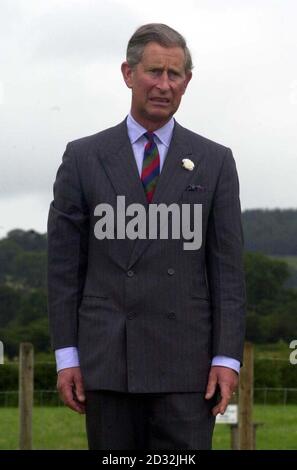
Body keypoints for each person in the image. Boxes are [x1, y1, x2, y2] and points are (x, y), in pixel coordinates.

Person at [47, 23, 246, 450]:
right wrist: (67, 357)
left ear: (187, 82)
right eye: (154, 71)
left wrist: (226, 359)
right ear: (128, 73)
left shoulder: (215, 162)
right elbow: (63, 270)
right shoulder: (83, 158)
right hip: (108, 364)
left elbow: (228, 274)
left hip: (188, 369)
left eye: (175, 75)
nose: (164, 85)